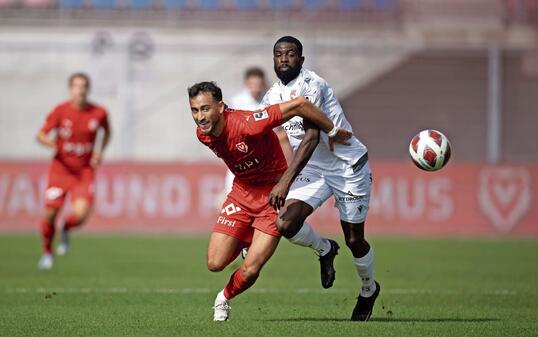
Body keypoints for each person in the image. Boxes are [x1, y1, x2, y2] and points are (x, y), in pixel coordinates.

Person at [188, 81, 351, 321]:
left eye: (205, 109)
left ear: (220, 107)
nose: (200, 117)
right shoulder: (203, 134)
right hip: (242, 194)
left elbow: (300, 104)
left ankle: (222, 298)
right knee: (214, 263)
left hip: (271, 197)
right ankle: (250, 239)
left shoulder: (249, 123)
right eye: (194, 110)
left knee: (251, 268)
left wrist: (333, 130)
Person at [261, 36, 380, 321]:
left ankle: (368, 289)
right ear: (274, 60)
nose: (284, 59)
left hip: (347, 166)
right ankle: (325, 249)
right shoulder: (271, 97)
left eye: (291, 54)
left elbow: (312, 137)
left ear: (301, 60)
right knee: (285, 224)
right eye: (279, 55)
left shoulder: (312, 85)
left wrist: (285, 181)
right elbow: (278, 138)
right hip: (313, 168)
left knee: (354, 239)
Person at [37, 73, 111, 270]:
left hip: (84, 172)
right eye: (76, 86)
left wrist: (99, 152)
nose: (80, 90)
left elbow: (107, 132)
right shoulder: (60, 111)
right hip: (60, 171)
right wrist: (53, 143)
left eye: (84, 86)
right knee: (50, 213)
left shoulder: (99, 112)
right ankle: (47, 252)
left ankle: (66, 228)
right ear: (70, 89)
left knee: (80, 215)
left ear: (88, 89)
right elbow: (41, 135)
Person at [224, 67, 292, 194]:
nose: (256, 87)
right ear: (246, 84)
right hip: (243, 155)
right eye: (253, 84)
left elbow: (285, 129)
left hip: (268, 156)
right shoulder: (237, 101)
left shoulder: (273, 99)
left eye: (259, 84)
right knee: (233, 192)